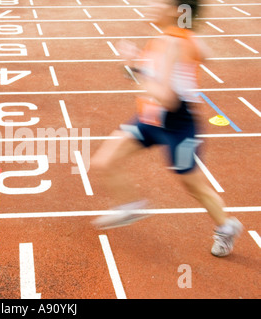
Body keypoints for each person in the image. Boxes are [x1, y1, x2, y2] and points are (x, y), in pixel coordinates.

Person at [90, 0, 242, 257]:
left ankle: (227, 227)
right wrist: (138, 63)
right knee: (104, 161)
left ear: (177, 10)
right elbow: (202, 55)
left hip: (177, 124)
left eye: (158, 1)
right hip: (149, 119)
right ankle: (131, 205)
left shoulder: (173, 41)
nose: (149, 4)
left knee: (192, 185)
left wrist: (136, 66)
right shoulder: (168, 38)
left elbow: (168, 97)